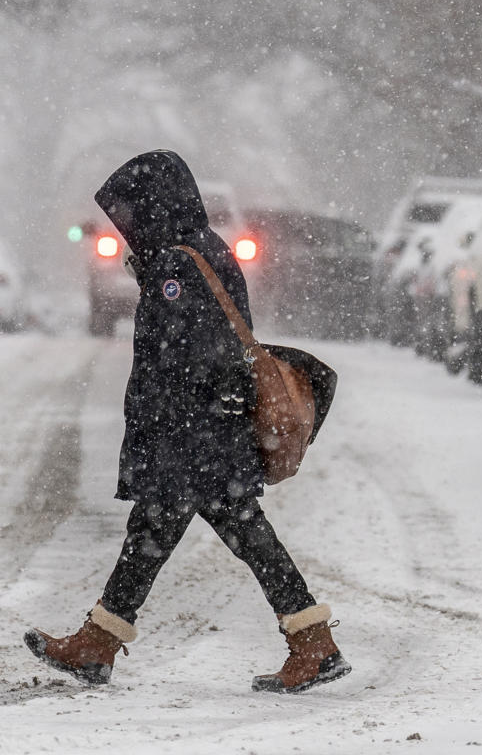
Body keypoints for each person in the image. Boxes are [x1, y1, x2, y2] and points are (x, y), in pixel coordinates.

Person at [25, 150, 348, 693]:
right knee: (197, 532)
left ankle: (100, 645)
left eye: (131, 213)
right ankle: (310, 642)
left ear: (156, 206)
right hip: (203, 434)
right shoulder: (202, 249)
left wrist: (174, 419)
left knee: (175, 532)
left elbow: (193, 352)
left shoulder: (178, 264)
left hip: (193, 435)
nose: (127, 226)